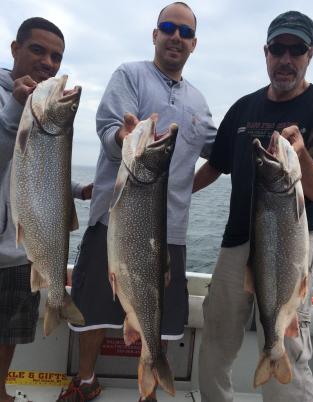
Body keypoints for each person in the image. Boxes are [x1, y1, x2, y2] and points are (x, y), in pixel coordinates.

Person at [57, 2, 216, 402]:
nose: (175, 37)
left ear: (194, 44)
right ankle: (87, 381)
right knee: (93, 306)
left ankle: (149, 388)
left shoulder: (199, 102)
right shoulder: (129, 75)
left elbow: (222, 153)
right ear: (154, 34)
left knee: (156, 313)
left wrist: (187, 191)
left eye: (184, 32)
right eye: (168, 27)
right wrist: (123, 139)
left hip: (170, 230)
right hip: (113, 221)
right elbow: (110, 130)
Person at [194, 10, 313, 402]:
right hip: (236, 243)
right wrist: (167, 200)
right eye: (278, 49)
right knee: (216, 338)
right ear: (265, 53)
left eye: (295, 49)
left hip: (291, 245)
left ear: (310, 54)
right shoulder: (243, 108)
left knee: (288, 342)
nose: (286, 58)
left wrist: (302, 159)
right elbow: (216, 166)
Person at [0, 18, 92, 402]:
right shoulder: (14, 102)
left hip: (22, 247)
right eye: (38, 50)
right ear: (14, 49)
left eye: (56, 56)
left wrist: (77, 189)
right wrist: (13, 114)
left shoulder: (41, 104)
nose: (48, 62)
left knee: (8, 335)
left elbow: (40, 167)